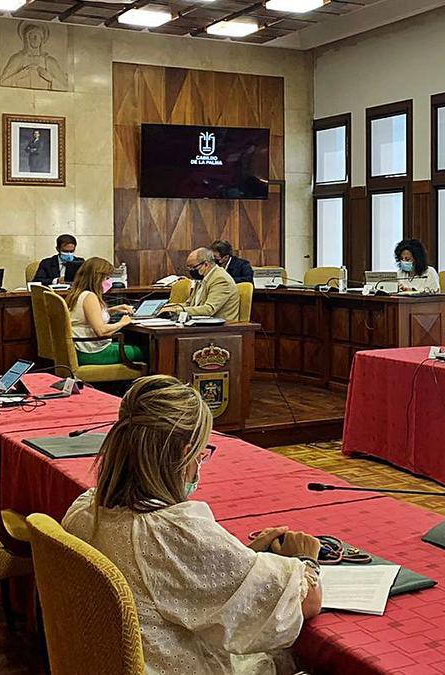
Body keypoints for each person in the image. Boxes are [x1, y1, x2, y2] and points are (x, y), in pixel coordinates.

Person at [62, 375, 322, 675]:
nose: (200, 465)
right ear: (185, 455)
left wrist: (243, 555)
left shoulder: (84, 508)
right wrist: (305, 559)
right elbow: (302, 604)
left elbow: (176, 575)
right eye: (201, 454)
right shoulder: (171, 532)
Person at [66, 257, 145, 366]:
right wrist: (122, 323)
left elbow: (86, 317)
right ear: (97, 278)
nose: (109, 281)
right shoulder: (90, 296)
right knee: (145, 351)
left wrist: (113, 310)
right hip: (92, 352)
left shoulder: (77, 294)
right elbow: (101, 331)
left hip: (81, 348)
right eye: (107, 277)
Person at [162, 248, 240, 322]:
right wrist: (166, 307)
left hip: (221, 328)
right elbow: (189, 304)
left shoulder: (220, 279)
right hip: (201, 324)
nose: (191, 271)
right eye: (188, 268)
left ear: (206, 264)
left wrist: (176, 310)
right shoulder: (202, 278)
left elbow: (209, 309)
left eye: (193, 267)